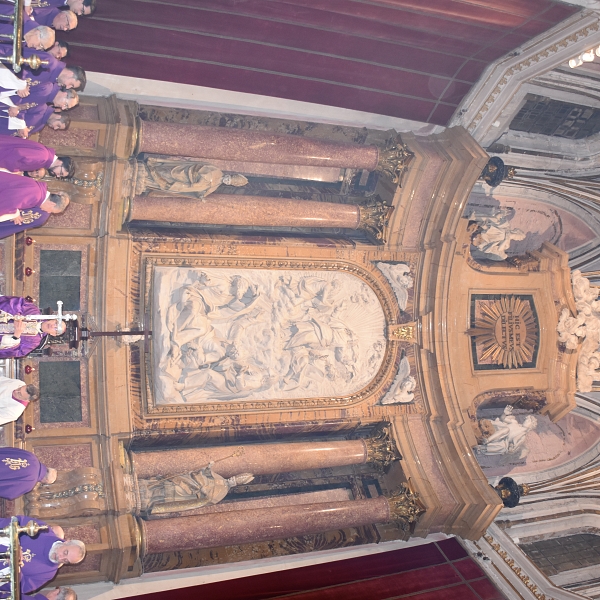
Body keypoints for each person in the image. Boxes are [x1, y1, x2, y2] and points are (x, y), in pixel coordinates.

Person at [0, 516, 85, 593]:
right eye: (65, 552)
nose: (60, 557)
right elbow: (15, 522)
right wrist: (16, 545)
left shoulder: (48, 573)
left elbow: (21, 588)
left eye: (65, 560)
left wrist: (16, 568)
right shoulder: (44, 530)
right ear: (67, 542)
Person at [137, 463, 254, 516]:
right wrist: (207, 467)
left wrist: (202, 489)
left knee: (174, 490)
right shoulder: (220, 478)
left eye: (237, 480)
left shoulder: (223, 492)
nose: (233, 479)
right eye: (236, 477)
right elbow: (206, 473)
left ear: (237, 483)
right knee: (172, 481)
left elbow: (209, 500)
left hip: (191, 493)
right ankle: (145, 487)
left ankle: (147, 499)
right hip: (191, 481)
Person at [140, 158, 248, 200]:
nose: (227, 181)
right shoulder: (216, 171)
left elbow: (203, 192)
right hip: (185, 174)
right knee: (165, 173)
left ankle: (146, 181)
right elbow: (200, 168)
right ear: (229, 175)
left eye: (228, 183)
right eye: (228, 179)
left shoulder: (215, 186)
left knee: (169, 185)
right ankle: (146, 171)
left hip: (184, 185)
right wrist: (199, 181)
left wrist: (201, 197)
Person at [0, 172, 69, 238]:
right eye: (51, 210)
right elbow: (6, 202)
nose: (48, 212)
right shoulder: (36, 195)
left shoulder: (38, 191)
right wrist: (14, 213)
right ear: (52, 204)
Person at [0, 295, 67, 358]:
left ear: (53, 334)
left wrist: (16, 335)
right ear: (53, 319)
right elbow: (16, 302)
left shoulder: (33, 343)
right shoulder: (33, 311)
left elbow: (14, 352)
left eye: (56, 329)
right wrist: (16, 316)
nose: (53, 326)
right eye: (56, 323)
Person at [0, 137, 72, 177]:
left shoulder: (45, 159)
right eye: (61, 173)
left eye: (60, 176)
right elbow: (17, 154)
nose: (58, 176)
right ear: (60, 162)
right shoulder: (43, 157)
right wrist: (15, 171)